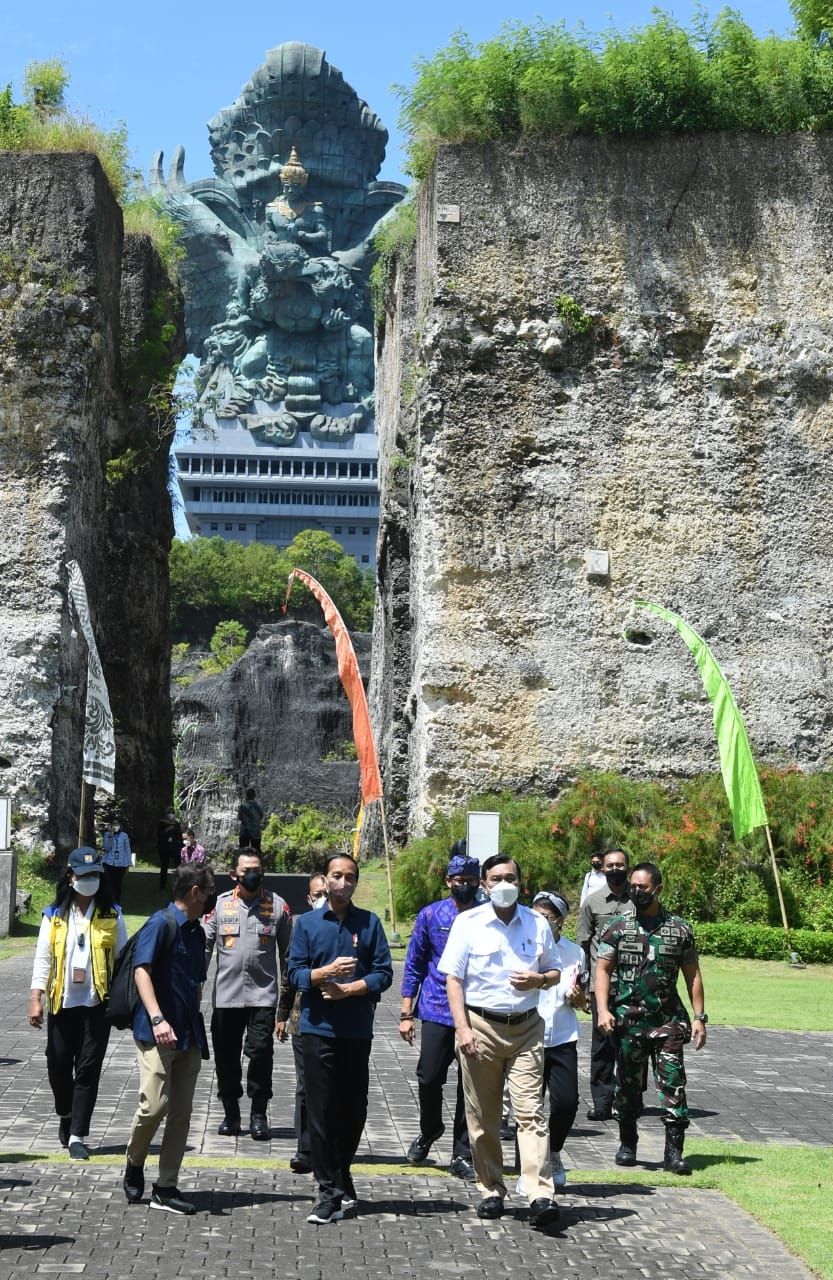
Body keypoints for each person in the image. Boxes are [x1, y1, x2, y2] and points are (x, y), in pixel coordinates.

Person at [438, 853, 562, 1230]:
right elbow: (453, 980)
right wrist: (462, 1029)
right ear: (485, 884)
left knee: (530, 1113)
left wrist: (538, 981)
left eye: (510, 877)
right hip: (481, 1027)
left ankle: (540, 1192)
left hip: (526, 1028)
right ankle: (491, 1188)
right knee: (483, 1117)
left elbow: (555, 970)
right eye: (495, 878)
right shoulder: (468, 922)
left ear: (521, 884)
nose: (503, 884)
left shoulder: (537, 923)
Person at [287, 853, 393, 1225]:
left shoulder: (370, 923)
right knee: (321, 1111)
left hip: (355, 1029)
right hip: (318, 1030)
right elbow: (295, 974)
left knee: (354, 1109)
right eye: (337, 876)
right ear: (325, 880)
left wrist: (352, 989)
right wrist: (324, 974)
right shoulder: (308, 925)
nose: (343, 883)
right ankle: (328, 1191)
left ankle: (340, 1170)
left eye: (350, 877)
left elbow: (383, 973)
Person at [595, 861, 707, 1176]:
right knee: (628, 1087)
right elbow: (602, 970)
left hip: (668, 1021)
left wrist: (700, 1017)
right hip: (628, 1021)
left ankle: (674, 1154)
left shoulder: (679, 929)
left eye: (642, 887)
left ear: (657, 889)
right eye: (632, 886)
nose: (635, 891)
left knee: (673, 1084)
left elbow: (692, 975)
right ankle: (627, 1144)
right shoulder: (617, 926)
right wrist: (603, 1009)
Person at [123, 861, 216, 1215]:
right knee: (154, 1106)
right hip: (156, 1033)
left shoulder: (196, 931)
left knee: (181, 1113)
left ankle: (166, 1186)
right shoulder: (160, 924)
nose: (209, 900)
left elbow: (195, 982)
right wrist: (157, 1017)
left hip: (188, 1034)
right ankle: (134, 1159)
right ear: (195, 892)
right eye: (207, 893)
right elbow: (141, 971)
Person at [28, 846, 128, 1161]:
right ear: (70, 877)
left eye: (95, 875)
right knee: (57, 1064)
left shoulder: (112, 913)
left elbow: (123, 958)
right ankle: (65, 1112)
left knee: (87, 1069)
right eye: (84, 875)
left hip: (97, 1004)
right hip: (62, 1002)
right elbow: (43, 959)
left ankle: (77, 1135)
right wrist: (36, 998)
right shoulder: (54, 915)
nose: (90, 881)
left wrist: (125, 1001)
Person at [400, 842, 479, 1181]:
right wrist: (406, 1011)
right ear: (448, 881)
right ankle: (430, 1128)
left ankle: (462, 1152)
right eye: (460, 878)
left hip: (477, 1012)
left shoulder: (488, 916)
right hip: (436, 1008)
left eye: (472, 880)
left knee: (470, 1085)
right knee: (429, 1076)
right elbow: (414, 962)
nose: (466, 885)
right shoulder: (431, 915)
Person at [203, 849, 291, 1139]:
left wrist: (286, 1006)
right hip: (226, 997)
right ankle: (230, 1113)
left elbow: (288, 956)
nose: (252, 875)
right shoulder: (219, 905)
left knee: (261, 1054)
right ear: (234, 875)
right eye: (246, 871)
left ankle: (258, 1113)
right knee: (226, 1057)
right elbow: (205, 948)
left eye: (257, 869)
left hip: (262, 997)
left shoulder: (278, 907)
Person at [515, 892, 588, 1193]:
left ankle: (553, 1152)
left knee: (566, 1104)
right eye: (536, 915)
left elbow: (583, 999)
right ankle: (528, 1172)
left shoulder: (575, 953)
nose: (542, 921)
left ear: (560, 920)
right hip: (526, 1036)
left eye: (548, 916)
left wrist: (578, 998)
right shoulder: (520, 947)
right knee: (528, 1108)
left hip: (561, 1037)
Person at [276, 872, 329, 1174]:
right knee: (305, 1085)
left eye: (326, 891)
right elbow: (289, 973)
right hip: (303, 1016)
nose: (322, 897)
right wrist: (282, 1014)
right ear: (309, 898)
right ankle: (305, 1148)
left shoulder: (350, 925)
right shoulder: (301, 926)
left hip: (340, 1018)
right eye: (317, 894)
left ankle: (330, 1145)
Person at [576, 846, 634, 1121]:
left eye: (619, 865)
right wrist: (586, 987)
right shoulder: (593, 902)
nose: (614, 870)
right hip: (603, 987)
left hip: (635, 987)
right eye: (609, 865)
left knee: (634, 1046)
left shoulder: (640, 901)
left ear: (628, 867)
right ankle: (602, 1101)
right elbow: (583, 945)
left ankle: (629, 1098)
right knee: (602, 1046)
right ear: (602, 869)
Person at [102, 817, 132, 905]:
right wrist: (111, 836)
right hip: (109, 863)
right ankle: (109, 903)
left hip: (121, 864)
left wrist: (128, 864)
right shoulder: (107, 834)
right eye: (114, 825)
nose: (115, 827)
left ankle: (117, 904)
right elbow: (107, 848)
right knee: (109, 885)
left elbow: (127, 850)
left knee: (117, 885)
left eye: (117, 825)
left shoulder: (124, 835)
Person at [156, 808, 183, 891]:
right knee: (164, 867)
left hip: (175, 847)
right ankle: (162, 885)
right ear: (166, 814)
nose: (171, 814)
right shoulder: (161, 823)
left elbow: (179, 835)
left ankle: (179, 884)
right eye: (169, 813)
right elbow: (158, 834)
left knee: (178, 866)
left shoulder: (176, 823)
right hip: (164, 847)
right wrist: (166, 834)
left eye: (172, 813)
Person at [237, 788, 264, 853]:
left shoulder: (243, 806)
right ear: (254, 795)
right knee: (256, 851)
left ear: (246, 795)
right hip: (256, 832)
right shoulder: (258, 806)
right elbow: (261, 816)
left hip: (245, 832)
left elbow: (240, 817)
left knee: (243, 852)